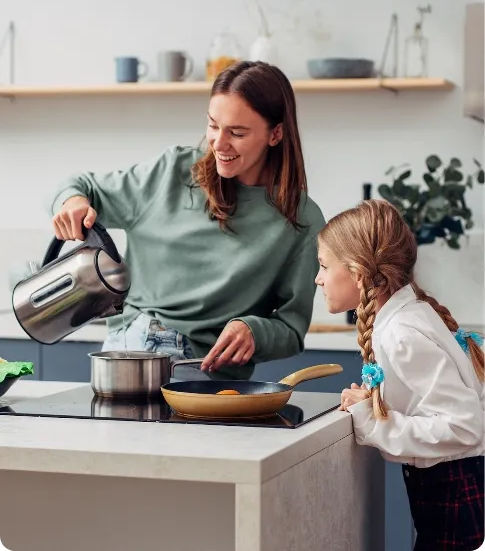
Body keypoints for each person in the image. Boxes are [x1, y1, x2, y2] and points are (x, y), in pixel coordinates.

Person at [47, 60, 325, 381]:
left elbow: (291, 329)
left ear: (276, 133)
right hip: (131, 352)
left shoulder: (302, 220)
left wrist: (254, 331)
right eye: (213, 125)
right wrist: (73, 202)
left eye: (237, 132)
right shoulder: (173, 172)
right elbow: (79, 186)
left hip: (207, 373)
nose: (218, 144)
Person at [315, 199, 484, 551]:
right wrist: (374, 401)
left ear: (358, 273)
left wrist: (372, 420)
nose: (318, 279)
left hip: (456, 499)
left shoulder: (402, 334)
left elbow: (464, 427)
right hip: (449, 493)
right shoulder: (405, 319)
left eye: (323, 266)